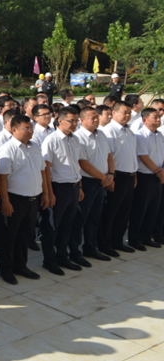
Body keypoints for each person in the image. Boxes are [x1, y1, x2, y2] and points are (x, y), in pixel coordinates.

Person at [0, 115, 46, 284]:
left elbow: (41, 170)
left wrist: (45, 193)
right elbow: (1, 177)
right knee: (10, 237)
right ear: (14, 129)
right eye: (27, 128)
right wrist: (5, 201)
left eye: (31, 128)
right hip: (15, 199)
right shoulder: (7, 149)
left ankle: (21, 266)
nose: (30, 131)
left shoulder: (34, 146)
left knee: (25, 235)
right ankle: (6, 269)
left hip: (33, 198)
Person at [40, 106, 84, 276]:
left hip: (73, 187)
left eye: (76, 120)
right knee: (52, 226)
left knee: (67, 225)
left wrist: (79, 186)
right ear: (60, 121)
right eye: (71, 121)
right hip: (58, 188)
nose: (74, 124)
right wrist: (49, 193)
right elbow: (46, 169)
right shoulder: (51, 140)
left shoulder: (75, 139)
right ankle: (49, 260)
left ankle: (62, 256)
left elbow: (76, 164)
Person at [71, 107, 114, 263]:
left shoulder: (101, 134)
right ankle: (75, 252)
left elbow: (108, 155)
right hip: (87, 182)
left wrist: (111, 175)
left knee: (95, 217)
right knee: (80, 219)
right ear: (82, 120)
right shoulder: (78, 137)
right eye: (92, 118)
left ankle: (91, 248)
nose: (96, 120)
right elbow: (83, 163)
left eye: (97, 117)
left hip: (102, 182)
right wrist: (104, 177)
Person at [98, 100, 138, 256]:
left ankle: (117, 241)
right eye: (124, 112)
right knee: (111, 212)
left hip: (129, 175)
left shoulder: (129, 131)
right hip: (117, 176)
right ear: (114, 112)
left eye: (129, 113)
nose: (127, 115)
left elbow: (131, 155)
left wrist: (134, 174)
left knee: (124, 212)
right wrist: (111, 176)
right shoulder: (109, 131)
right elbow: (108, 156)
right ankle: (105, 244)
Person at [129, 107, 164, 250]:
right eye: (155, 117)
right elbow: (144, 157)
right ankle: (135, 239)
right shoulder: (140, 136)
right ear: (144, 120)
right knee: (140, 208)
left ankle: (147, 237)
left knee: (153, 209)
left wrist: (162, 171)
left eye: (159, 117)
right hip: (146, 176)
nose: (158, 119)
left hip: (158, 176)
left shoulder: (159, 135)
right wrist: (159, 172)